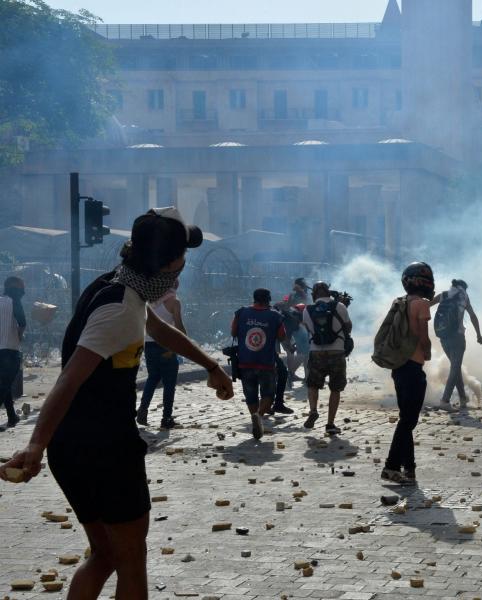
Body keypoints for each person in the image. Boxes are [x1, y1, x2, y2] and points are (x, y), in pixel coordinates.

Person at [0, 207, 233, 600]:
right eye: (180, 264)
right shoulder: (121, 309)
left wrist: (210, 365)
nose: (181, 272)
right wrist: (34, 444)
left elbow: (160, 330)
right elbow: (69, 378)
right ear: (167, 267)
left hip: (72, 450)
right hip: (104, 449)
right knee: (130, 560)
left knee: (106, 554)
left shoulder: (115, 286)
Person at [381, 262, 433, 485]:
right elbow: (424, 337)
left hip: (399, 366)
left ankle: (409, 468)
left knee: (406, 419)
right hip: (413, 368)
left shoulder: (400, 302)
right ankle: (391, 467)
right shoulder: (421, 305)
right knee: (408, 421)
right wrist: (428, 352)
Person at [231, 288, 286, 440]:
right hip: (266, 362)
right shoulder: (275, 315)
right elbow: (282, 336)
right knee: (268, 394)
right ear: (268, 299)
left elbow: (233, 332)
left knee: (250, 395)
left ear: (254, 298)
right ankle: (259, 416)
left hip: (245, 361)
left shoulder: (241, 312)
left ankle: (254, 417)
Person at [302, 281, 351, 433]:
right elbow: (348, 327)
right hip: (336, 352)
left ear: (313, 295)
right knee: (335, 389)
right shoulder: (339, 306)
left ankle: (313, 410)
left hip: (316, 351)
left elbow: (308, 329)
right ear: (328, 292)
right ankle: (330, 424)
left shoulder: (307, 310)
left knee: (312, 385)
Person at [136, 280, 185, 429]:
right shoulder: (174, 302)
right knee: (169, 384)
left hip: (149, 345)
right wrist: (183, 342)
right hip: (166, 346)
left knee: (153, 378)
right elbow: (179, 327)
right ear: (175, 287)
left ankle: (143, 409)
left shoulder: (150, 301)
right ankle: (166, 418)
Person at [430, 278, 482, 410]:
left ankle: (463, 399)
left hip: (443, 337)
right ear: (463, 288)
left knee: (456, 366)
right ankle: (445, 400)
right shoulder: (463, 296)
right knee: (455, 367)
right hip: (457, 337)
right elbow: (472, 316)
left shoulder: (444, 294)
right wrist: (478, 334)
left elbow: (427, 305)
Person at [0, 276, 26, 429]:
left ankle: (12, 416)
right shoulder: (14, 301)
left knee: (5, 383)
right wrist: (20, 335)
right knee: (4, 385)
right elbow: (22, 322)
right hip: (9, 351)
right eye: (20, 288)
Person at [277, 278, 310, 381]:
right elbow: (287, 306)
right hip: (296, 325)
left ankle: (306, 376)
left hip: (299, 325)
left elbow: (306, 302)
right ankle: (290, 374)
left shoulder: (300, 295)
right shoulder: (292, 296)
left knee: (304, 352)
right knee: (303, 352)